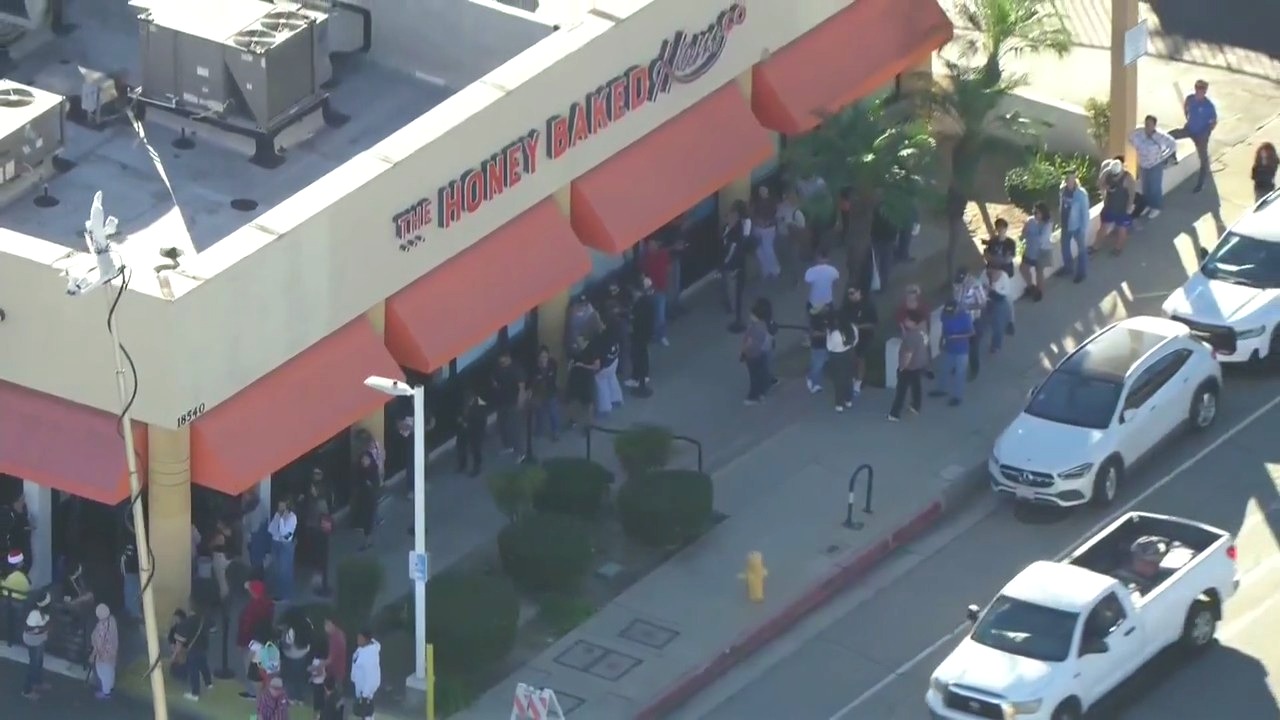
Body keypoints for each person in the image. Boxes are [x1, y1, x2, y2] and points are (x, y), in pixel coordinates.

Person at [1170, 79, 1216, 193]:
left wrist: (1207, 132)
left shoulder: (1208, 105)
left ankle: (1201, 183)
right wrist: (1189, 120)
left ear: (1205, 91)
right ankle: (1171, 157)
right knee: (1170, 136)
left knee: (1203, 159)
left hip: (1201, 135)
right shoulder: (1190, 99)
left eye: (1202, 90)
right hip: (1189, 129)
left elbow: (1214, 121)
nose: (1200, 92)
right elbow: (1186, 108)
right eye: (1198, 89)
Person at [1128, 115, 1178, 218]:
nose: (1147, 126)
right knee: (1145, 187)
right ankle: (1147, 205)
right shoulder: (1139, 133)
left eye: (1150, 124)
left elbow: (1173, 144)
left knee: (1154, 187)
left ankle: (1156, 207)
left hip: (1155, 165)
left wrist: (1164, 156)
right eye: (1146, 124)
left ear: (1154, 125)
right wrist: (1136, 147)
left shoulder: (1160, 136)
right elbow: (1130, 137)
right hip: (1143, 165)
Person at [930, 299, 974, 406]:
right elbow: (944, 329)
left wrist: (956, 336)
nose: (949, 314)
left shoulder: (965, 317)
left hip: (961, 350)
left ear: (957, 309)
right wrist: (941, 341)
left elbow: (971, 333)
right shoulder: (945, 315)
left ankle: (957, 397)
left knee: (960, 373)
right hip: (949, 347)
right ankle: (942, 389)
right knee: (944, 369)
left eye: (951, 312)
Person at [238, 580, 276, 699]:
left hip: (251, 641)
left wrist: (240, 642)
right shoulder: (269, 603)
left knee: (249, 666)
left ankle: (254, 692)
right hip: (265, 640)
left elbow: (245, 627)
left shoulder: (251, 608)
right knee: (264, 668)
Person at [888, 311, 928, 422]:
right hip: (919, 364)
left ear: (913, 322)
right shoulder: (921, 331)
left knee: (901, 391)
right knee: (916, 386)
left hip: (909, 367)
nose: (905, 321)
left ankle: (894, 413)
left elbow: (908, 354)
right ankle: (916, 406)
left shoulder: (911, 336)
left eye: (908, 320)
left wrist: (902, 367)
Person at [840, 286, 878, 397]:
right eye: (849, 294)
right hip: (850, 336)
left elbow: (873, 324)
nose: (850, 296)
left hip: (864, 336)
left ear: (859, 292)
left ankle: (859, 382)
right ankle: (852, 378)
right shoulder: (846, 306)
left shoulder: (868, 306)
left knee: (860, 358)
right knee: (851, 358)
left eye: (853, 293)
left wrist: (858, 326)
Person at [720, 200, 751, 332]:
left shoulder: (738, 230)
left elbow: (734, 248)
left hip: (734, 263)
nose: (727, 218)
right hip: (729, 261)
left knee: (733, 286)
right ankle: (732, 306)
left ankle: (735, 310)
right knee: (728, 285)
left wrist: (726, 262)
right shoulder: (727, 228)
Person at [1058, 171, 1092, 284]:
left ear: (1075, 179)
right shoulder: (1062, 191)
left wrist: (1083, 228)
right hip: (1065, 225)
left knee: (1082, 250)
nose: (1070, 181)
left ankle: (1081, 273)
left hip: (1077, 226)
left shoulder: (1081, 194)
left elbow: (1085, 213)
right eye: (1068, 179)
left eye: (1072, 179)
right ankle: (1068, 268)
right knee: (1065, 248)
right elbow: (1061, 206)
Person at [1098, 159, 1137, 256]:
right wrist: (1105, 187)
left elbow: (1132, 194)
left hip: (1122, 208)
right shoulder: (1107, 173)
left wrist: (1129, 207)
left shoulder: (1128, 178)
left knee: (1122, 228)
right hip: (1109, 206)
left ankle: (1118, 248)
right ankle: (1096, 246)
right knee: (1103, 226)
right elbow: (1099, 184)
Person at [491, 350, 526, 456]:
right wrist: (495, 384)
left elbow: (521, 387)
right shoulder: (498, 368)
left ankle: (521, 453)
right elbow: (493, 377)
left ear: (508, 358)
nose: (502, 363)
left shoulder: (516, 369)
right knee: (502, 426)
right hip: (502, 402)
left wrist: (520, 402)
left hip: (513, 402)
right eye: (500, 362)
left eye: (503, 361)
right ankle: (508, 446)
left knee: (514, 428)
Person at [627, 277, 656, 397]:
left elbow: (637, 319)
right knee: (642, 355)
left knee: (639, 357)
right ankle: (640, 378)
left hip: (640, 335)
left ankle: (641, 381)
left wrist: (631, 318)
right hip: (646, 334)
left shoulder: (641, 303)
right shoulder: (649, 301)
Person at [302, 480, 332, 595]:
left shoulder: (320, 503)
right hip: (316, 533)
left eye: (314, 489)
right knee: (319, 562)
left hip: (320, 534)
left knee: (321, 562)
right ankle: (320, 586)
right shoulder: (313, 502)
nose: (312, 490)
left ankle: (321, 586)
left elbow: (325, 521)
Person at [639, 238, 671, 345]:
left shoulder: (663, 254)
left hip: (661, 289)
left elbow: (667, 268)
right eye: (650, 244)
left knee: (660, 315)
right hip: (652, 289)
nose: (652, 246)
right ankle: (656, 334)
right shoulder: (645, 259)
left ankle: (661, 335)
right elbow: (643, 274)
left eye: (653, 243)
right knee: (654, 314)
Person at [280, 607, 315, 705]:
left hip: (292, 655)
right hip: (304, 654)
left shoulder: (291, 628)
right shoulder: (308, 623)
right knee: (300, 676)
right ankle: (300, 698)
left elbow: (288, 643)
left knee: (290, 677)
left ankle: (291, 697)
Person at [1019, 202, 1053, 301]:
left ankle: (1039, 292)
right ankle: (1031, 287)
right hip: (1030, 250)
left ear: (1043, 213)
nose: (1035, 214)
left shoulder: (1048, 224)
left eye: (1037, 212)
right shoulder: (1030, 221)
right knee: (1023, 268)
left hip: (1041, 251)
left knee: (1039, 272)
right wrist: (1024, 233)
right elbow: (1023, 236)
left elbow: (1042, 239)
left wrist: (1030, 236)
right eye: (1034, 212)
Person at [589, 321, 624, 417]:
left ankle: (605, 409)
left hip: (604, 367)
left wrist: (594, 371)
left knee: (602, 385)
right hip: (614, 362)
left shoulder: (599, 340)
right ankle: (616, 399)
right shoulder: (616, 335)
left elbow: (597, 362)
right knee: (612, 379)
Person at [740, 302, 772, 405]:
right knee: (762, 372)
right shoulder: (764, 324)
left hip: (753, 356)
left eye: (752, 314)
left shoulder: (755, 329)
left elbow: (749, 344)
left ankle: (753, 397)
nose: (750, 315)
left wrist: (742, 353)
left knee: (754, 376)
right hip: (762, 353)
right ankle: (763, 391)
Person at [21, 590, 51, 700]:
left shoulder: (44, 612)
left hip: (40, 639)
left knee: (39, 661)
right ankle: (27, 690)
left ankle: (38, 682)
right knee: (34, 664)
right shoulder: (34, 613)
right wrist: (43, 629)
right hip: (33, 640)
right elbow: (29, 629)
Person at [564, 336, 598, 430]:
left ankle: (590, 424)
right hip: (575, 378)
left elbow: (596, 366)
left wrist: (583, 365)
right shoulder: (574, 349)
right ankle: (572, 420)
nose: (578, 341)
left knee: (589, 403)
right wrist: (570, 367)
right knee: (571, 400)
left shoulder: (592, 350)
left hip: (587, 379)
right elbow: (571, 361)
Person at [268, 500, 298, 602]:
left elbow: (285, 534)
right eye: (279, 507)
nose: (279, 509)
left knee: (285, 570)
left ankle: (286, 595)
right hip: (275, 543)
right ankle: (278, 593)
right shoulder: (277, 514)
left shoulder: (292, 518)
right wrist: (278, 519)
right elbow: (271, 528)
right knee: (277, 569)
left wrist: (281, 520)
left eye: (282, 507)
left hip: (285, 545)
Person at [529, 345, 561, 441]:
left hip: (550, 392)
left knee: (553, 412)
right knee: (539, 413)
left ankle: (555, 432)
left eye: (545, 357)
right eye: (541, 357)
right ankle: (539, 430)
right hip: (539, 393)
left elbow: (552, 377)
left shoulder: (552, 364)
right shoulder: (534, 368)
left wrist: (543, 376)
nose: (543, 359)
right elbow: (532, 382)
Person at [826, 313, 856, 412]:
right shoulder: (851, 328)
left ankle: (839, 403)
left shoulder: (834, 333)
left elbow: (829, 346)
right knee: (848, 377)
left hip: (837, 356)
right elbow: (855, 340)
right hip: (849, 353)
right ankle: (848, 399)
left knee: (839, 380)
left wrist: (827, 334)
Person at [751, 184, 781, 279]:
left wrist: (767, 222)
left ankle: (775, 270)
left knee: (768, 249)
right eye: (760, 191)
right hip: (758, 227)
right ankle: (766, 269)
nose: (761, 193)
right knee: (759, 249)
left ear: (767, 191)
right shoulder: (756, 201)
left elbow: (776, 215)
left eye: (763, 191)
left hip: (768, 228)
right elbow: (753, 214)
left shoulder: (772, 201)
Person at [351, 628, 382, 720]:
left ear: (367, 639)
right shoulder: (362, 648)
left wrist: (365, 694)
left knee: (367, 716)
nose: (358, 640)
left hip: (366, 693)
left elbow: (372, 677)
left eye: (360, 638)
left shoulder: (371, 655)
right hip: (360, 690)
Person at [984, 263, 1015, 354]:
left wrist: (993, 286)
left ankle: (996, 345)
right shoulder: (985, 274)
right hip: (988, 301)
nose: (991, 273)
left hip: (999, 302)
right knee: (985, 320)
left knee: (998, 326)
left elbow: (1005, 293)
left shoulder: (1003, 277)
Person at [351, 452, 379, 551]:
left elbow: (376, 485)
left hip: (370, 500)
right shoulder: (360, 471)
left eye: (366, 459)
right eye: (363, 459)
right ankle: (368, 539)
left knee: (368, 520)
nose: (364, 461)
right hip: (362, 499)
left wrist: (370, 485)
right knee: (366, 520)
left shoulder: (373, 471)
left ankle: (368, 541)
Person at [90, 603, 118, 700]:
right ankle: (110, 686)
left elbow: (99, 643)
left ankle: (106, 692)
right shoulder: (112, 620)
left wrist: (94, 654)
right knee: (110, 670)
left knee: (103, 672)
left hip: (103, 654)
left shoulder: (101, 627)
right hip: (112, 652)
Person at [455, 391, 487, 477]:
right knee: (461, 445)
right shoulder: (464, 403)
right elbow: (461, 413)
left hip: (474, 428)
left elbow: (481, 417)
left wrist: (468, 423)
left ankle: (477, 467)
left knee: (475, 448)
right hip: (465, 427)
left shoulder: (479, 403)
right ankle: (462, 464)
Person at [804, 248, 840, 313]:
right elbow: (836, 279)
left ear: (817, 258)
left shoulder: (811, 271)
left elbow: (807, 280)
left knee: (811, 311)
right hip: (827, 300)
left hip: (814, 300)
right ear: (828, 258)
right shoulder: (833, 270)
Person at [805, 304, 830, 395]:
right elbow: (813, 334)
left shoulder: (825, 318)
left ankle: (813, 379)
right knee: (818, 365)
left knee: (817, 363)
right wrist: (826, 334)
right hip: (818, 345)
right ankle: (813, 382)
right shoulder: (815, 320)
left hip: (824, 345)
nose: (827, 308)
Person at [323, 616, 348, 695]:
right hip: (336, 669)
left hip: (336, 670)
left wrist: (319, 665)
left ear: (332, 625)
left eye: (327, 625)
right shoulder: (338, 634)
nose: (325, 627)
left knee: (335, 693)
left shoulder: (336, 638)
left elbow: (331, 659)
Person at [118, 541, 141, 622]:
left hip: (134, 577)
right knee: (129, 594)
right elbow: (122, 568)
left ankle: (135, 612)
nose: (130, 552)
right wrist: (125, 577)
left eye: (131, 550)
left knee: (135, 594)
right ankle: (130, 612)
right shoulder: (124, 557)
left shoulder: (135, 557)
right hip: (128, 577)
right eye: (128, 550)